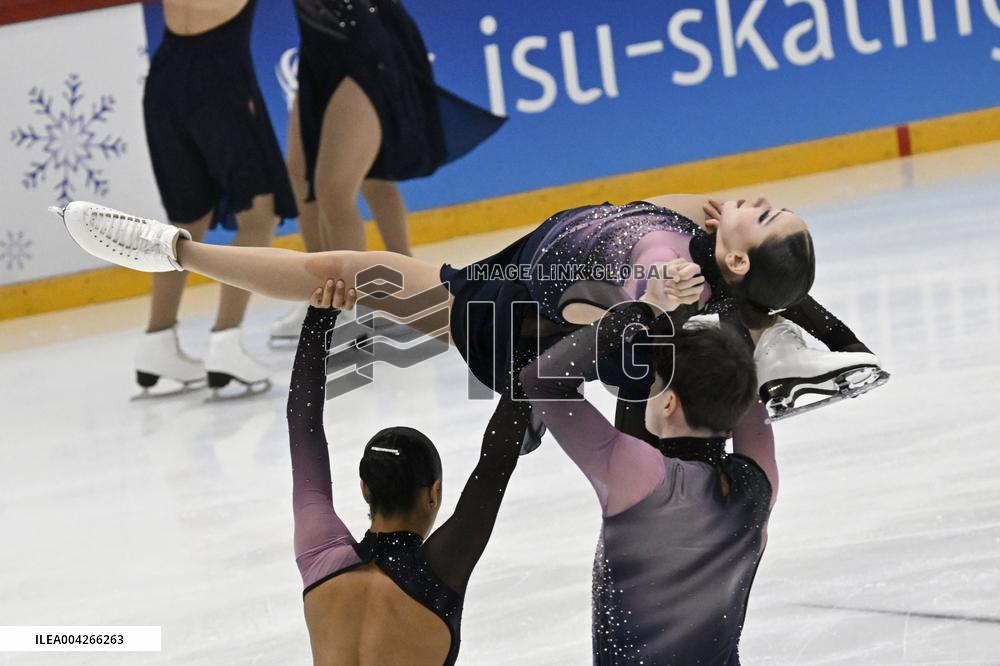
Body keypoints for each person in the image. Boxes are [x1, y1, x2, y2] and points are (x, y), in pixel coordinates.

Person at [52, 193, 885, 419]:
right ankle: (780, 347)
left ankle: (176, 252)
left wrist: (661, 315)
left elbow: (641, 315)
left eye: (768, 214)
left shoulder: (668, 265)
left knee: (345, 269)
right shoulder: (704, 228)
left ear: (736, 257)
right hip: (521, 267)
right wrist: (844, 338)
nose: (764, 198)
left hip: (501, 317)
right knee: (350, 272)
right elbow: (776, 281)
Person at [519, 285, 777, 663]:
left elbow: (541, 380)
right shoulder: (758, 484)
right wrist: (728, 303)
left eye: (652, 385)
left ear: (669, 403)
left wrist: (627, 317)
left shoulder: (636, 474)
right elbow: (744, 384)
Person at [287, 278, 530, 664]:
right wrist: (530, 348)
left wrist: (319, 319)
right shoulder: (439, 573)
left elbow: (303, 428)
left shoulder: (321, 557)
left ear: (365, 489)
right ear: (433, 493)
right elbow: (497, 459)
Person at [268, 0, 507, 344]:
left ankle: (352, 306)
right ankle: (330, 295)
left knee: (334, 188)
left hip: (363, 50)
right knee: (306, 175)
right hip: (318, 53)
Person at [140, 0, 297, 396]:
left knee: (185, 220)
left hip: (166, 79)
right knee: (259, 215)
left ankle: (156, 343)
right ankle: (226, 341)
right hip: (219, 83)